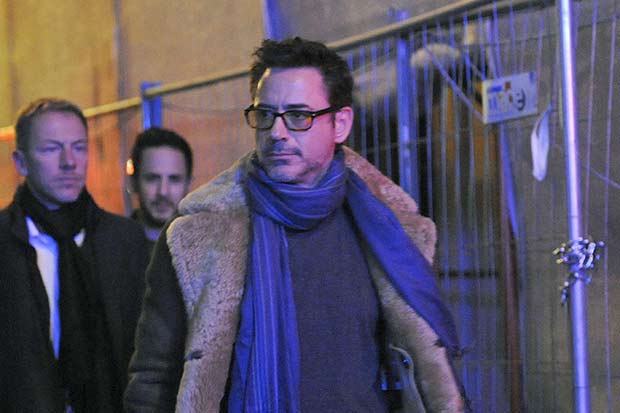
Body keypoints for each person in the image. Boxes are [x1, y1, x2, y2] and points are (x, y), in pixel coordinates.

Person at [125, 37, 468, 412]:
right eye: (265, 115)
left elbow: (427, 365)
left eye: (299, 116)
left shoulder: (389, 230)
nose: (277, 133)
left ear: (340, 123)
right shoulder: (200, 234)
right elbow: (153, 381)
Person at [0, 97, 150, 412]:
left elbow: (145, 347)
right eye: (51, 148)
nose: (69, 162)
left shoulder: (124, 240)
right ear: (21, 163)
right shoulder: (5, 242)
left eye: (79, 147)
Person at [128, 127, 193, 249]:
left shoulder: (205, 248)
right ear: (134, 182)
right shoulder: (110, 247)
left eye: (174, 179)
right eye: (152, 178)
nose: (163, 192)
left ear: (188, 184)